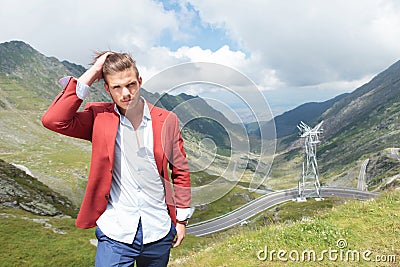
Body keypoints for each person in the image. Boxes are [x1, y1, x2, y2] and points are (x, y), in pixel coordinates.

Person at [42, 52, 192, 267]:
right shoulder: (99, 117)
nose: (125, 94)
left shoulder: (166, 119)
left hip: (158, 229)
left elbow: (180, 171)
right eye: (116, 87)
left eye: (131, 85)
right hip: (116, 232)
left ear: (139, 82)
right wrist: (94, 72)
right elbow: (53, 120)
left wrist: (181, 220)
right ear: (107, 89)